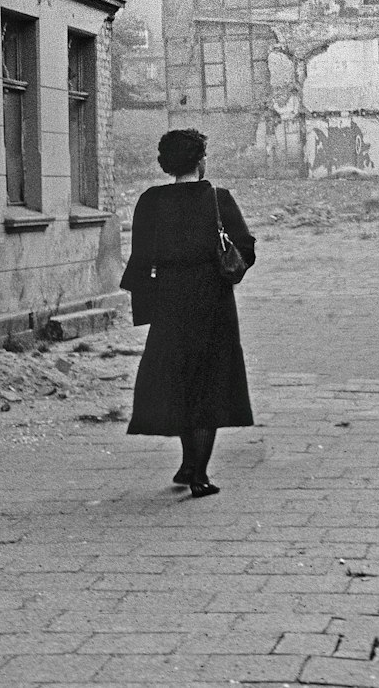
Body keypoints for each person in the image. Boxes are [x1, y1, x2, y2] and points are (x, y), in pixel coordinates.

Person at [119, 129, 256, 498]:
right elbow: (245, 249)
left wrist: (150, 307)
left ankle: (186, 462)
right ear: (201, 161)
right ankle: (199, 473)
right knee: (208, 385)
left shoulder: (150, 201)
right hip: (212, 301)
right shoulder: (217, 198)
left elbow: (139, 260)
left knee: (180, 381)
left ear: (167, 164)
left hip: (170, 303)